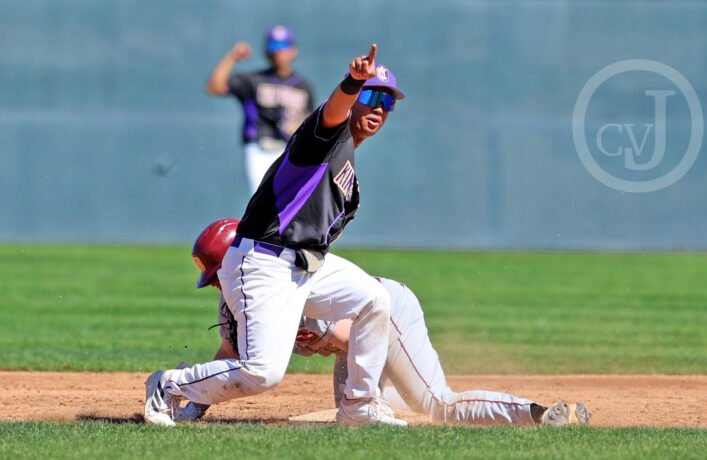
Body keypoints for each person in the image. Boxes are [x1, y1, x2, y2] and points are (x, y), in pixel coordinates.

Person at [145, 44, 408, 427]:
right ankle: (168, 385)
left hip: (305, 264)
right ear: (354, 100)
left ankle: (359, 405)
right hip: (265, 258)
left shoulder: (349, 166)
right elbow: (335, 110)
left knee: (374, 300)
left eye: (388, 101)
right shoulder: (325, 137)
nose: (379, 108)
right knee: (263, 373)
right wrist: (353, 81)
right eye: (371, 96)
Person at [177, 219, 592, 427]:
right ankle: (382, 403)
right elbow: (229, 355)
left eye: (219, 275)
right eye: (215, 280)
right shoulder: (241, 299)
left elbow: (350, 337)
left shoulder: (282, 288)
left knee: (435, 403)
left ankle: (536, 413)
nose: (220, 285)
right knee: (356, 417)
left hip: (385, 313)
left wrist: (361, 395)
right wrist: (193, 406)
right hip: (357, 330)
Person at [206, 25, 315, 193]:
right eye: (273, 47)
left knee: (288, 202)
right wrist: (232, 56)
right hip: (260, 149)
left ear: (293, 50)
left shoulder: (303, 86)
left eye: (283, 47)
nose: (278, 52)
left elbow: (309, 123)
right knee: (261, 199)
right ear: (266, 51)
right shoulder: (254, 80)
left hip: (289, 151)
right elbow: (215, 87)